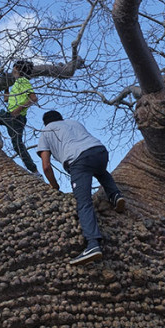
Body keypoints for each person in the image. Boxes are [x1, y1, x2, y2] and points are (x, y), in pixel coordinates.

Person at [36, 110, 126, 265]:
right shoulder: (73, 122)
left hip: (79, 161)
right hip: (100, 151)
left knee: (83, 202)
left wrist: (54, 185)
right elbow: (87, 147)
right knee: (100, 170)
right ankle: (115, 195)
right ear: (60, 117)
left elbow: (46, 166)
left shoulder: (46, 131)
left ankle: (92, 244)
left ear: (45, 122)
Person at [0, 60, 39, 173]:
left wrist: (19, 108)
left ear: (18, 69)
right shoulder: (17, 84)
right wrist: (6, 86)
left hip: (16, 118)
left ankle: (34, 171)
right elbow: (7, 99)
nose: (12, 70)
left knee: (18, 145)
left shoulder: (23, 81)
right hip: (8, 115)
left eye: (14, 68)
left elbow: (33, 98)